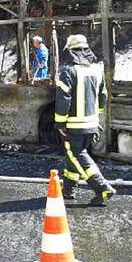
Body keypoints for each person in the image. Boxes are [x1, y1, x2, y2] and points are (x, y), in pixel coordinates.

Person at [55, 34, 116, 206]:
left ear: (71, 51)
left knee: (76, 155)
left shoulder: (68, 71)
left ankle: (102, 187)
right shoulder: (97, 69)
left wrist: (60, 123)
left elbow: (63, 99)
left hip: (73, 126)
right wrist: (97, 115)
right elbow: (103, 95)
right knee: (75, 156)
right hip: (92, 124)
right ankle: (68, 191)